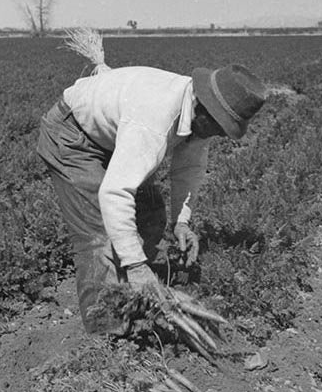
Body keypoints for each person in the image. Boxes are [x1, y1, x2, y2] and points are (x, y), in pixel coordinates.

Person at [37, 63, 266, 332]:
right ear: (203, 107)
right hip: (73, 137)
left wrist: (182, 222)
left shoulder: (199, 114)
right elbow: (114, 193)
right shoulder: (155, 120)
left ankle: (135, 294)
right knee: (98, 235)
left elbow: (188, 168)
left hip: (113, 133)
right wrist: (136, 266)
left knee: (151, 214)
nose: (219, 134)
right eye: (220, 126)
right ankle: (107, 336)